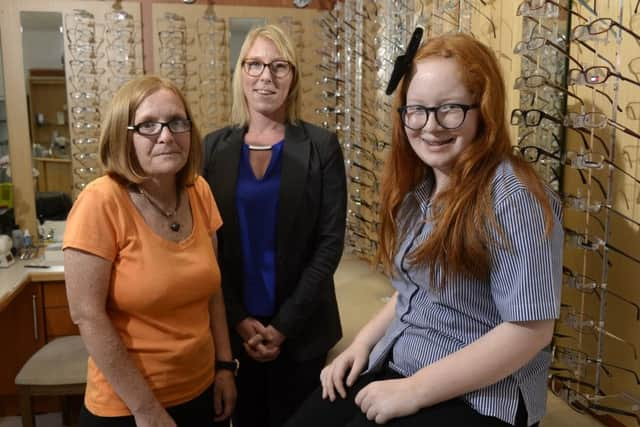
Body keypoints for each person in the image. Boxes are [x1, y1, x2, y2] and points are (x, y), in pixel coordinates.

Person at [285, 32, 563, 427]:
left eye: (449, 109)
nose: (430, 127)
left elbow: (529, 330)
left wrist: (413, 391)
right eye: (417, 110)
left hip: (480, 394)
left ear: (483, 108)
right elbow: (412, 295)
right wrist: (361, 345)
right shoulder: (422, 187)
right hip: (403, 360)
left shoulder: (512, 195)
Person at [63, 75, 236, 427]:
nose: (166, 135)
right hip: (128, 406)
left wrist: (224, 366)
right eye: (147, 125)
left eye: (176, 121)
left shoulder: (198, 191)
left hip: (201, 390)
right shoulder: (100, 202)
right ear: (122, 135)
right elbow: (88, 315)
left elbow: (213, 290)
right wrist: (146, 409)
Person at [202, 24, 347, 427]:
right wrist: (237, 319)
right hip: (234, 331)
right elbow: (206, 246)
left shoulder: (321, 147)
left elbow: (329, 244)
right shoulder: (213, 149)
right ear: (241, 73)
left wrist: (282, 327)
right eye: (255, 64)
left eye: (279, 66)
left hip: (302, 331)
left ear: (293, 77)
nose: (266, 76)